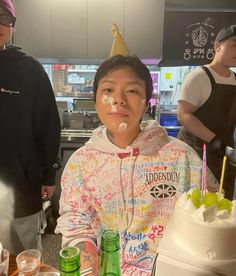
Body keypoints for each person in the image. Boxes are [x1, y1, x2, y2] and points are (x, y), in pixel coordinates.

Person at [55, 55, 218, 275]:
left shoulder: (181, 157)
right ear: (95, 100)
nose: (119, 99)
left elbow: (210, 218)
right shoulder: (80, 163)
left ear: (146, 102)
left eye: (132, 91)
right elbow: (77, 224)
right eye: (108, 90)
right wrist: (89, 267)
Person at [0, 0, 61, 254]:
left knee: (26, 260)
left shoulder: (30, 70)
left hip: (22, 192)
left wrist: (48, 174)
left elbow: (48, 124)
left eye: (5, 17)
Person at [177, 25, 236, 200]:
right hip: (196, 150)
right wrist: (213, 139)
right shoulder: (199, 77)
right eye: (234, 45)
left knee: (223, 200)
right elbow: (184, 114)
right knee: (194, 201)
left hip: (224, 151)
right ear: (217, 46)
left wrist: (222, 144)